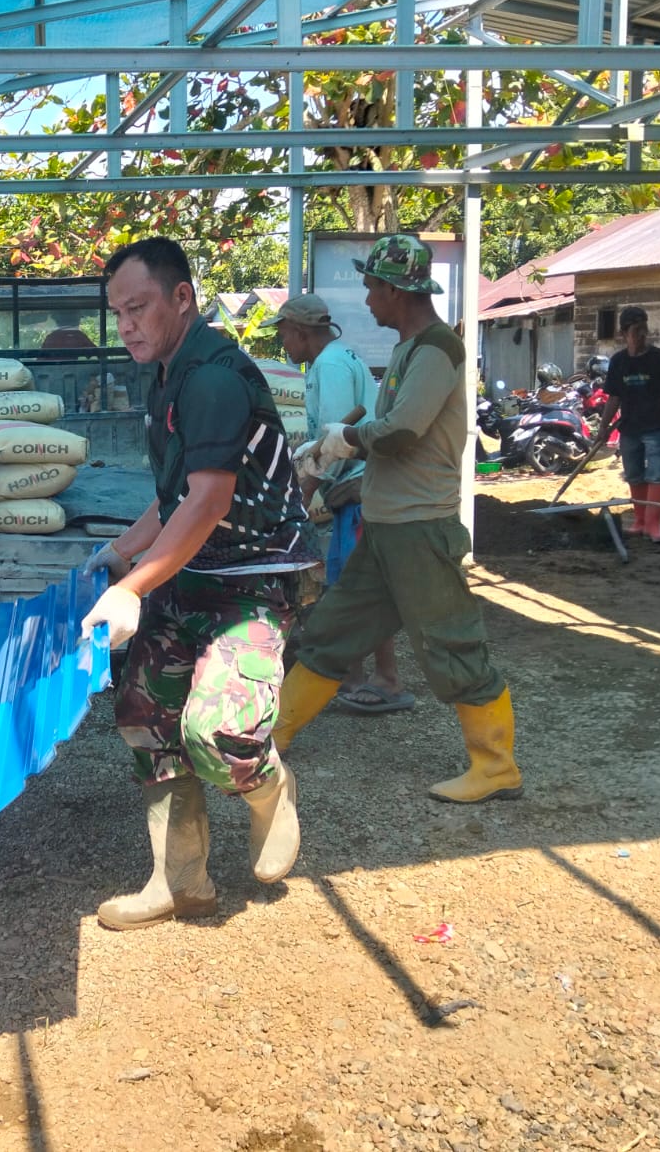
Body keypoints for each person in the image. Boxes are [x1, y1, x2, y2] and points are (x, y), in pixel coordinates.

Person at [79, 236, 310, 931]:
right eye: (118, 313)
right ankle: (179, 881)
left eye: (140, 307)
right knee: (145, 715)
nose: (128, 326)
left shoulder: (210, 376)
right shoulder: (169, 372)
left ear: (182, 299)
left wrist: (134, 585)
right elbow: (175, 495)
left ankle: (270, 788)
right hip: (192, 571)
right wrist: (119, 553)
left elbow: (209, 500)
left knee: (221, 733)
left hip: (252, 578)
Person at [274, 234, 523, 805]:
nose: (366, 300)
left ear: (394, 289)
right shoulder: (412, 350)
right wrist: (340, 454)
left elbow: (405, 431)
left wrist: (344, 440)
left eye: (370, 288)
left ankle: (495, 766)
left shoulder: (436, 349)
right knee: (333, 631)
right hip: (388, 526)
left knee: (452, 640)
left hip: (418, 528)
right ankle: (275, 737)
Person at [269, 293, 412, 716]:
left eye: (283, 334)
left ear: (300, 331)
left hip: (356, 487)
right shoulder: (334, 359)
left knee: (358, 584)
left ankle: (384, 678)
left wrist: (308, 486)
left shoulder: (329, 366)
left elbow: (336, 440)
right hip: (354, 486)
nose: (282, 344)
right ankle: (353, 676)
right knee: (350, 582)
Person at [593, 306, 660, 544]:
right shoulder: (619, 362)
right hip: (629, 429)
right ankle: (640, 521)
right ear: (623, 333)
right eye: (635, 331)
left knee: (656, 475)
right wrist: (603, 428)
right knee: (634, 475)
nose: (641, 335)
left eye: (644, 330)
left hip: (657, 429)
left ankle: (654, 526)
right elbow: (613, 397)